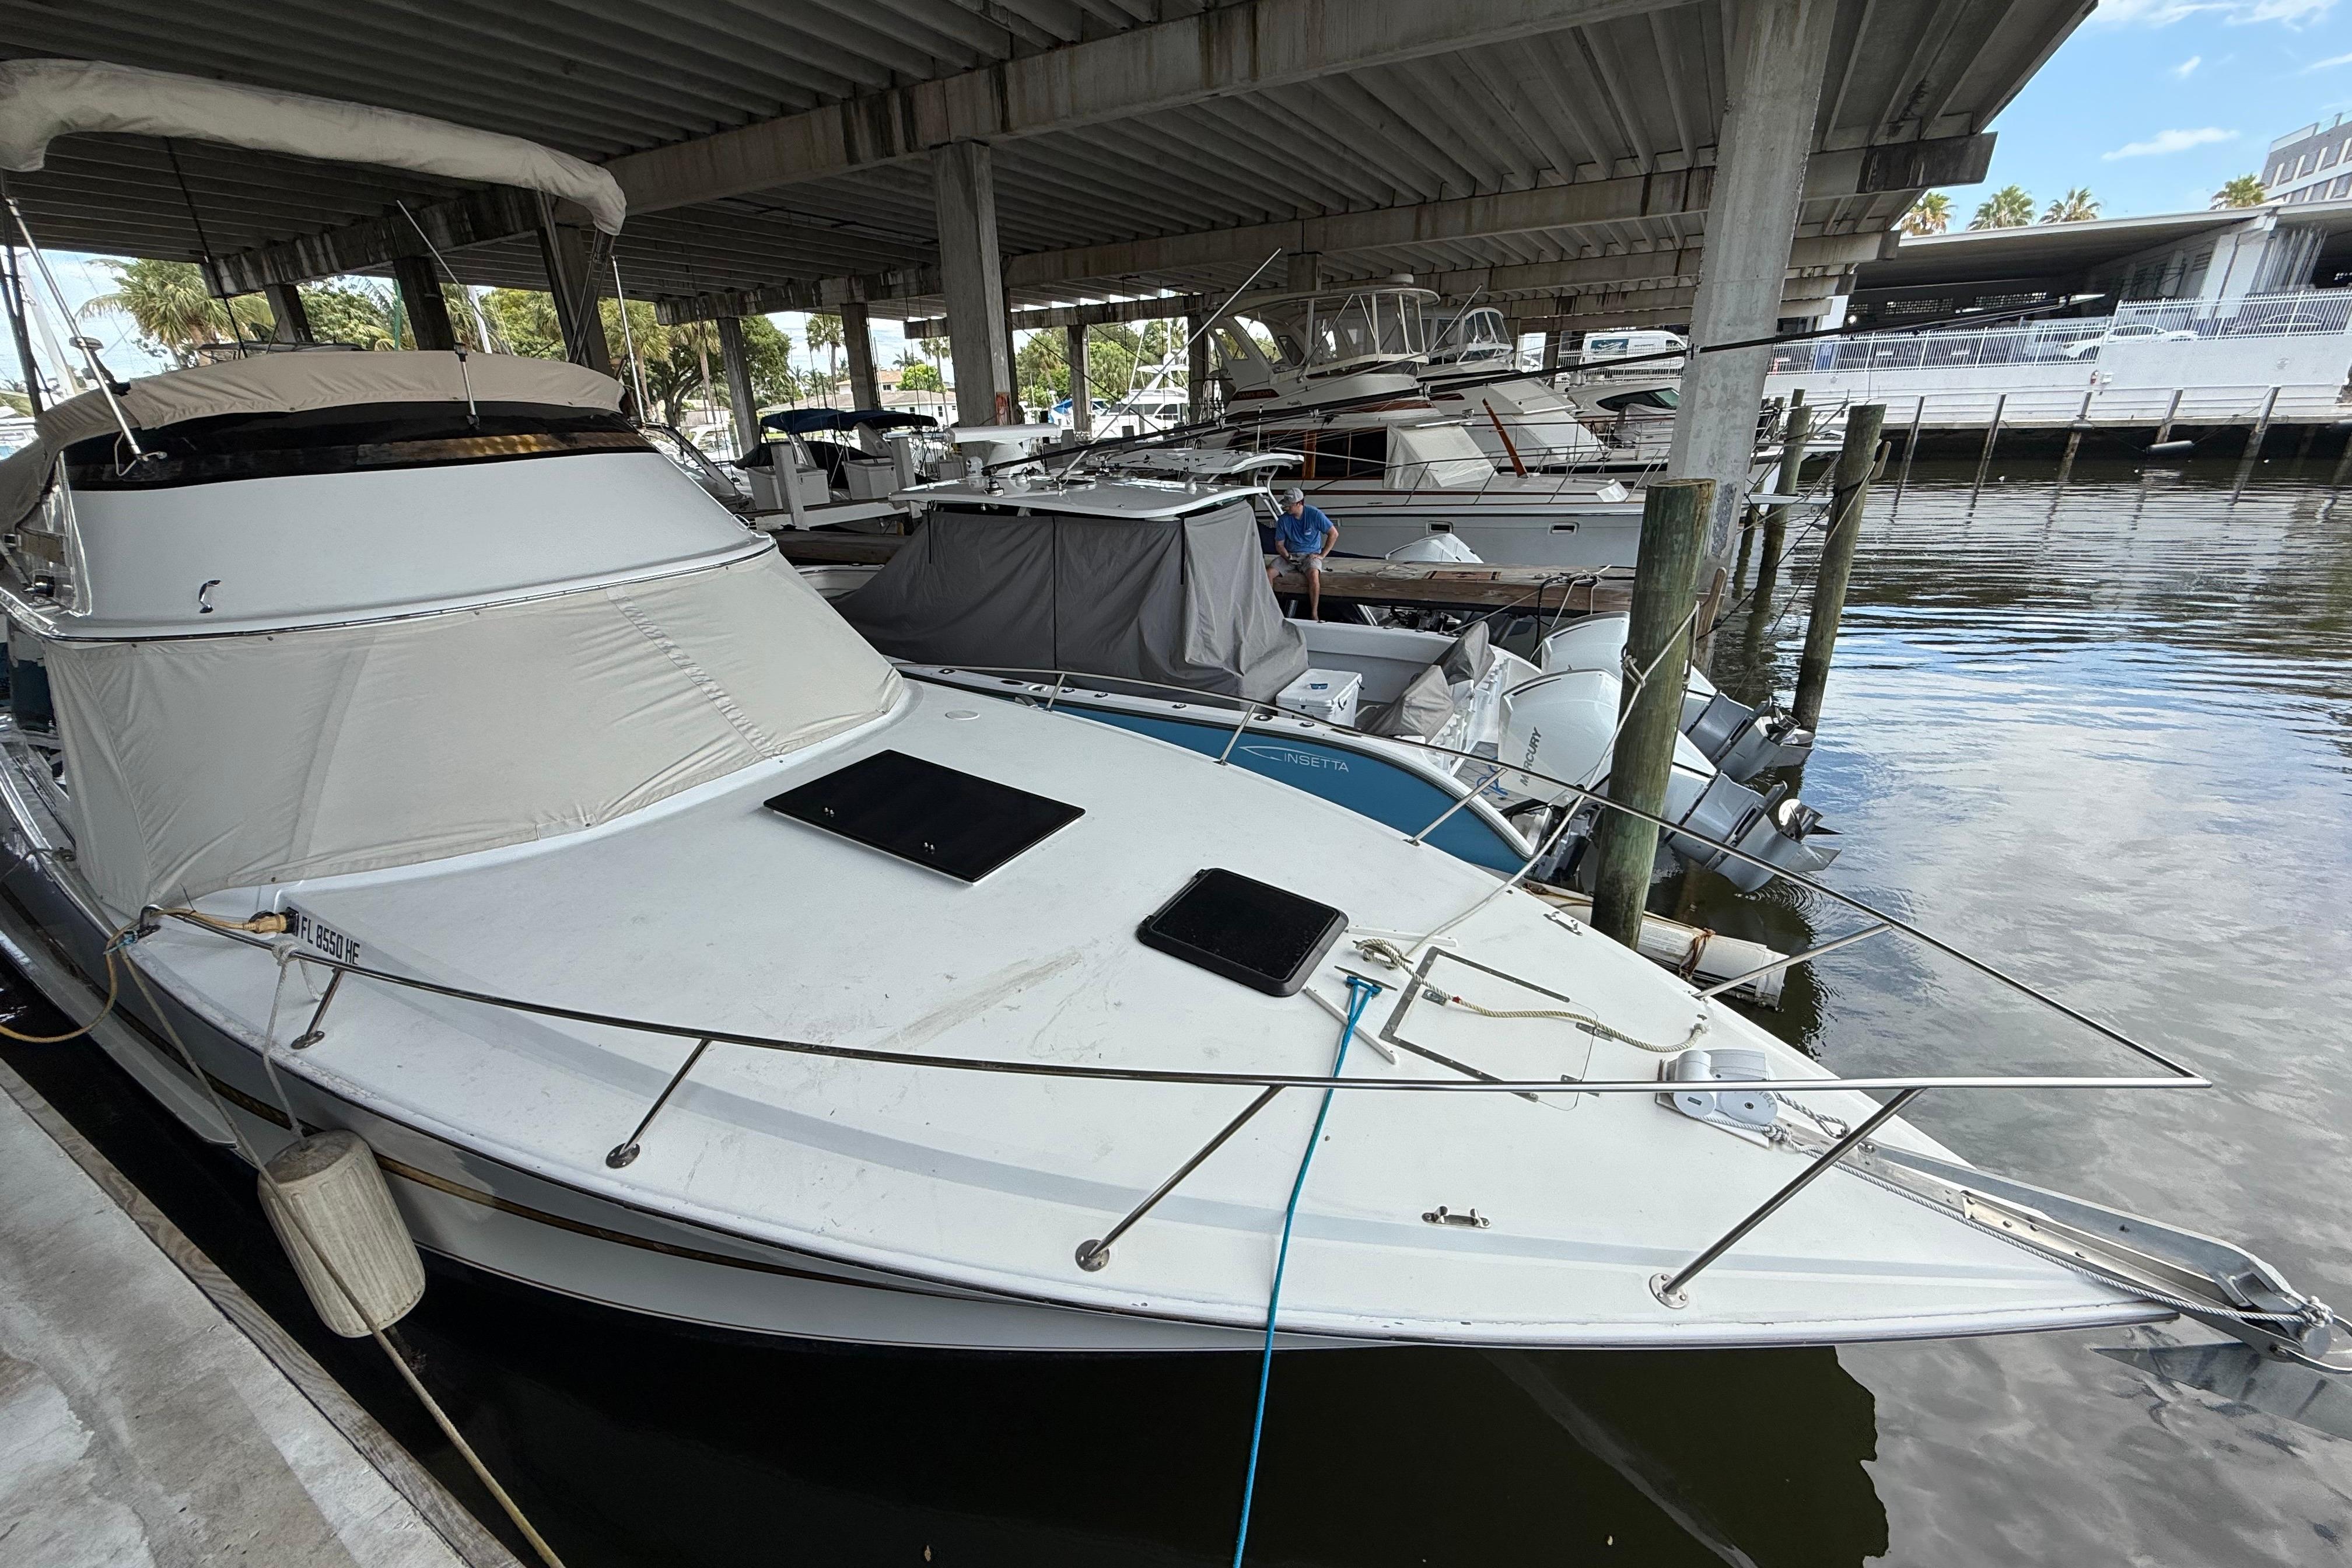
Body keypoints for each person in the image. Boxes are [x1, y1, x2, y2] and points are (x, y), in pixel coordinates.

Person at [1269, 488, 1339, 620]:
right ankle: (1271, 610)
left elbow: (1333, 534)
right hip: (1290, 554)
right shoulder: (1283, 520)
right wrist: (1287, 556)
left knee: (1314, 575)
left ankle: (1314, 614)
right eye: (1286, 505)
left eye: (1289, 505)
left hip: (1311, 554)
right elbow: (1279, 545)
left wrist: (1322, 555)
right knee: (1268, 573)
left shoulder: (1315, 514)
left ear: (1300, 503)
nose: (1286, 508)